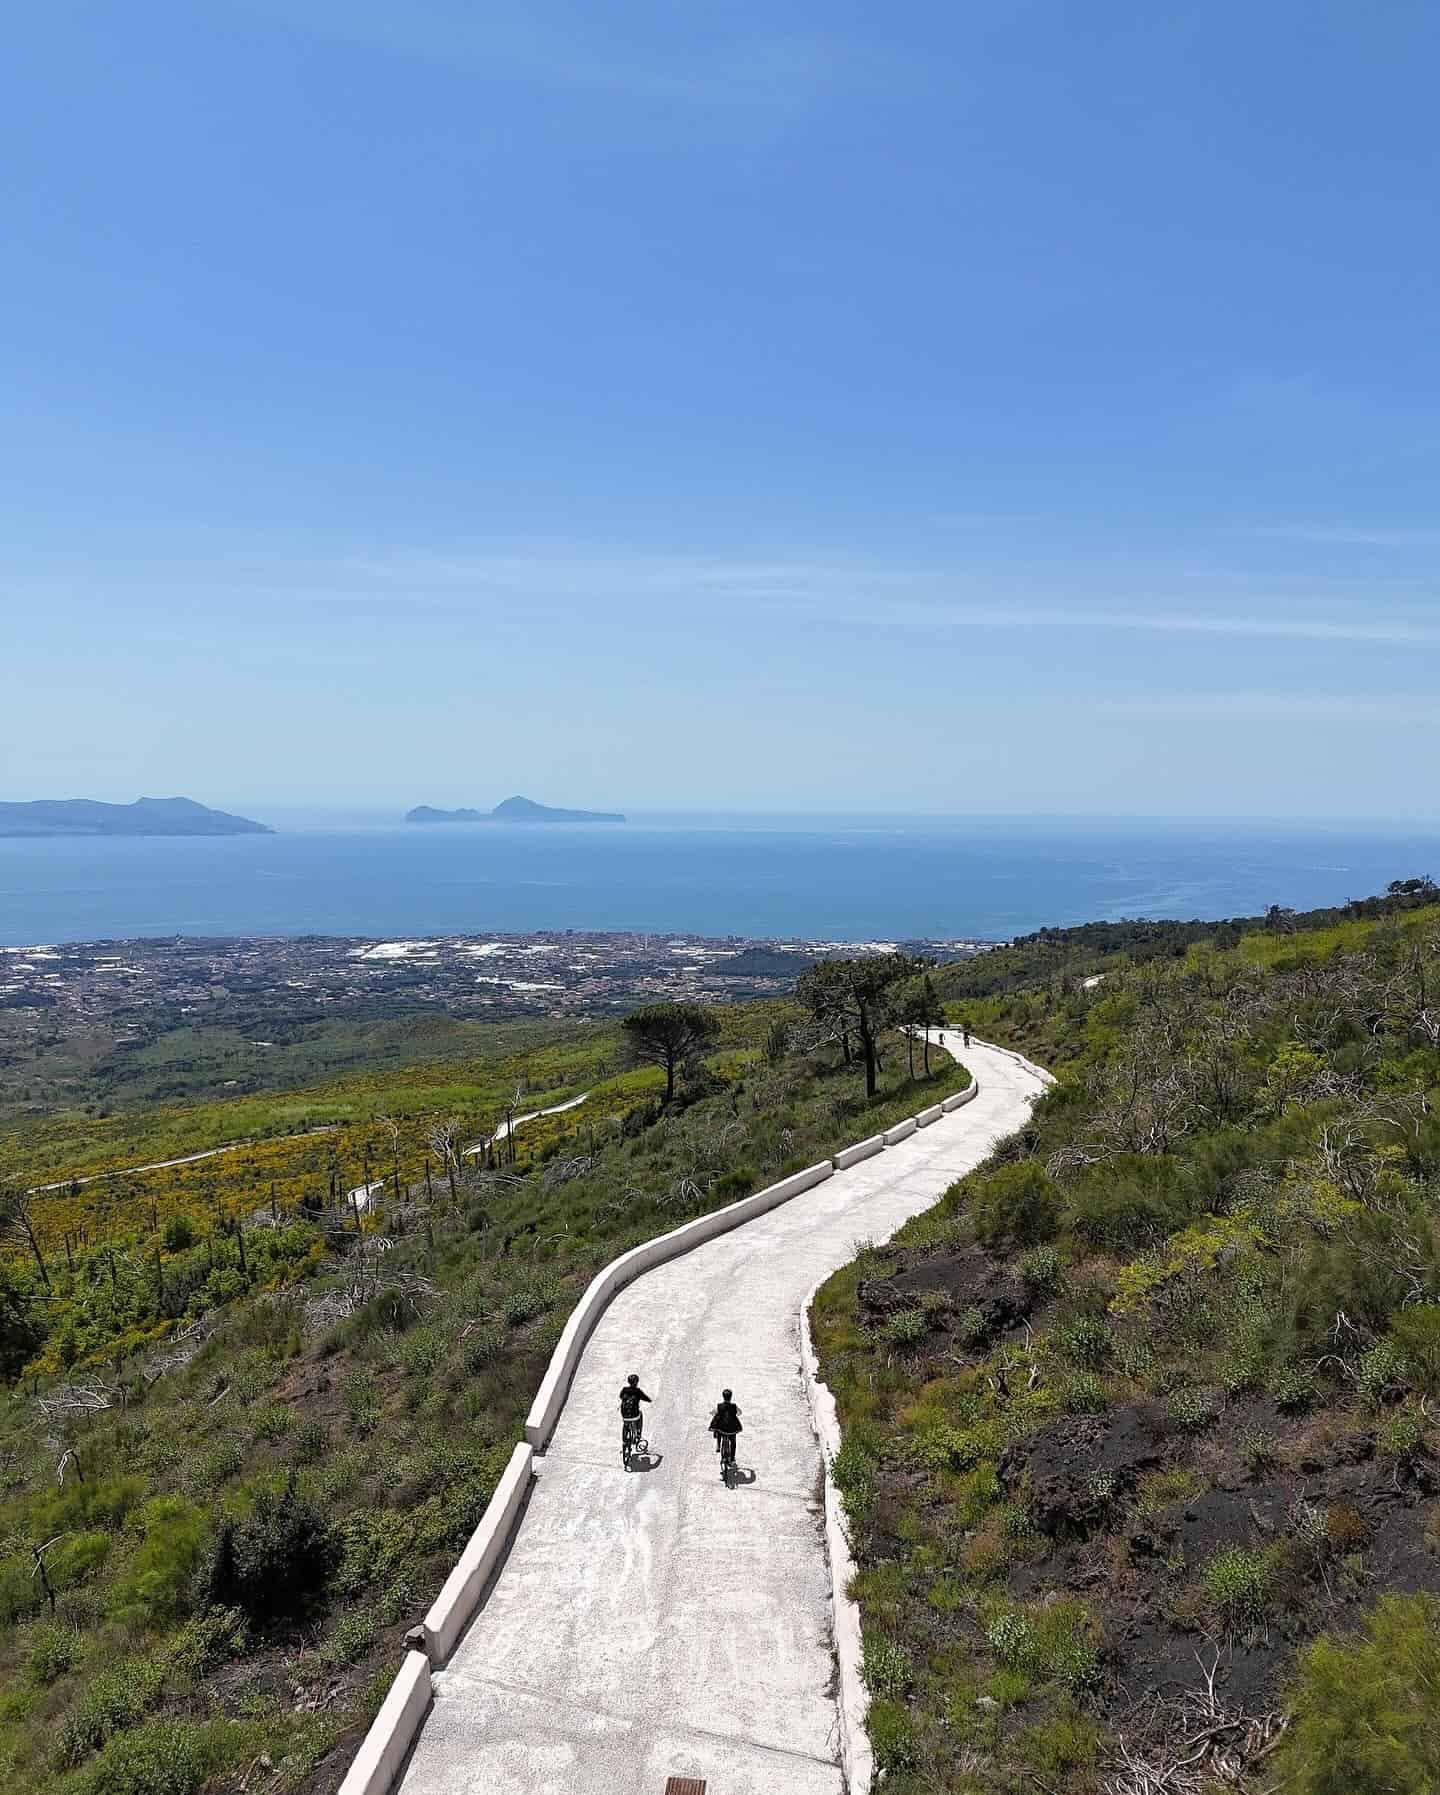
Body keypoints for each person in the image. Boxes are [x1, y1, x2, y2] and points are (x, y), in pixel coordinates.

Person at [709, 1387, 742, 1478]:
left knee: (718, 1428)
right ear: (731, 1397)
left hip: (722, 1429)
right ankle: (732, 1458)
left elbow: (713, 1412)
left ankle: (719, 1445)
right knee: (733, 1442)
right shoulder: (734, 1406)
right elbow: (739, 1413)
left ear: (723, 1397)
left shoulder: (719, 1406)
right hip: (732, 1429)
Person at [619, 1372, 651, 1462]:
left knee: (625, 1423)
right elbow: (646, 1399)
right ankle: (638, 1433)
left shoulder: (624, 1389)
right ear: (637, 1382)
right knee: (640, 1415)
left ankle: (625, 1437)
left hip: (624, 1415)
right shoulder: (638, 1391)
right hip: (635, 1415)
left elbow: (621, 1396)